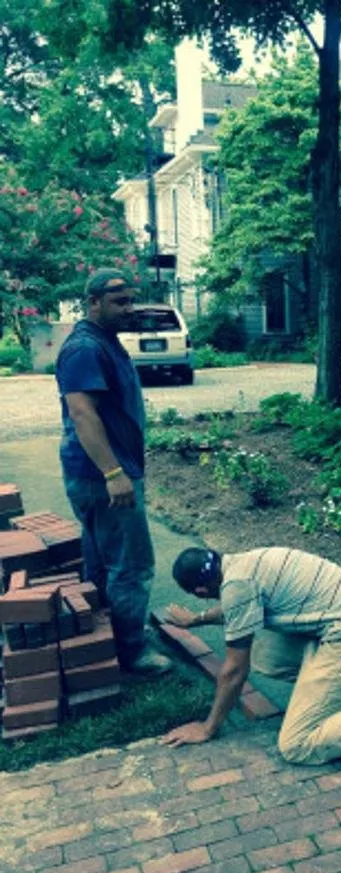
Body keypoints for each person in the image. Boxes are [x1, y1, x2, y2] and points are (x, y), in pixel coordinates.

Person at [161, 545, 341, 764]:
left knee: (297, 743)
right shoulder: (241, 563)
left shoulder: (238, 587)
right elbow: (236, 610)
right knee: (267, 653)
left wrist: (208, 727)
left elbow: (234, 670)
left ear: (200, 590)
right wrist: (196, 620)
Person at [55, 268, 172, 675]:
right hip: (101, 476)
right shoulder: (85, 348)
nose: (129, 308)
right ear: (93, 302)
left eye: (130, 300)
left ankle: (105, 641)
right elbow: (82, 414)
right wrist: (113, 473)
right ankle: (131, 651)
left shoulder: (103, 342)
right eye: (119, 301)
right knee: (132, 564)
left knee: (103, 561)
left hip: (99, 474)